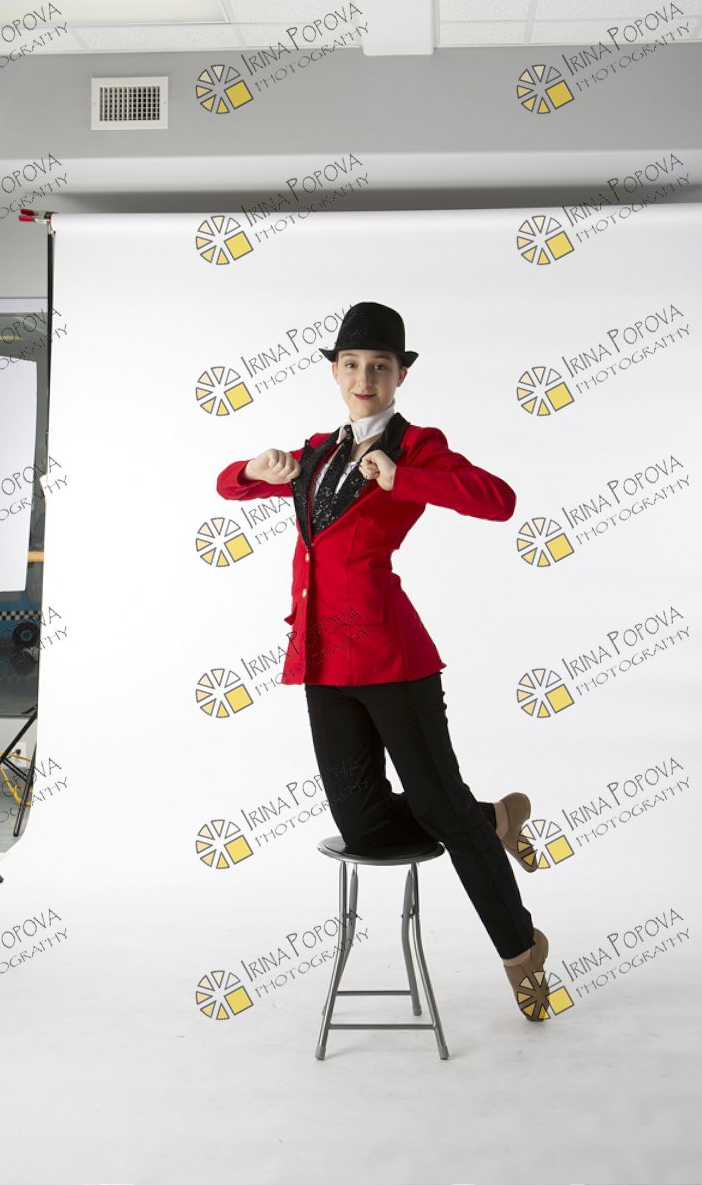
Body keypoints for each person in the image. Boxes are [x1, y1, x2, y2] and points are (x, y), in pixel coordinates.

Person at [216, 301, 551, 1021]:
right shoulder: (315, 452)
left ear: (400, 376)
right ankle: (491, 818)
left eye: (379, 366)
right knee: (364, 826)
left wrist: (404, 478)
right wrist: (251, 468)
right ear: (336, 372)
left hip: (393, 659)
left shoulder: (417, 446)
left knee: (439, 809)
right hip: (322, 661)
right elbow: (228, 486)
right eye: (351, 365)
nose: (364, 378)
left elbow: (498, 501)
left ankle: (522, 949)